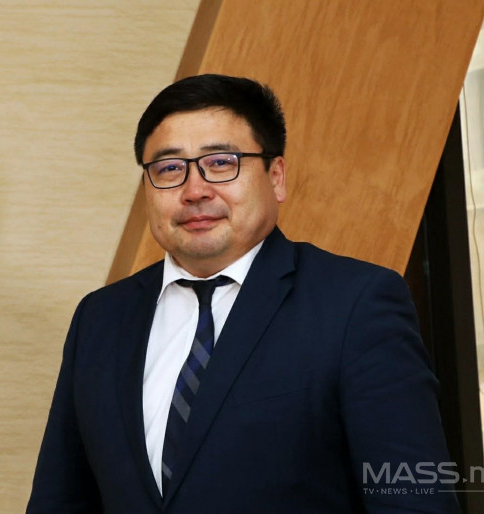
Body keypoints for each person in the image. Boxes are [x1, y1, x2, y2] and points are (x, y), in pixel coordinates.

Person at [26, 74, 460, 513]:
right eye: (169, 169)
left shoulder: (356, 304)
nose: (194, 191)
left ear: (276, 177)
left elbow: (417, 501)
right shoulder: (100, 318)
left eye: (221, 163)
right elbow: (59, 499)